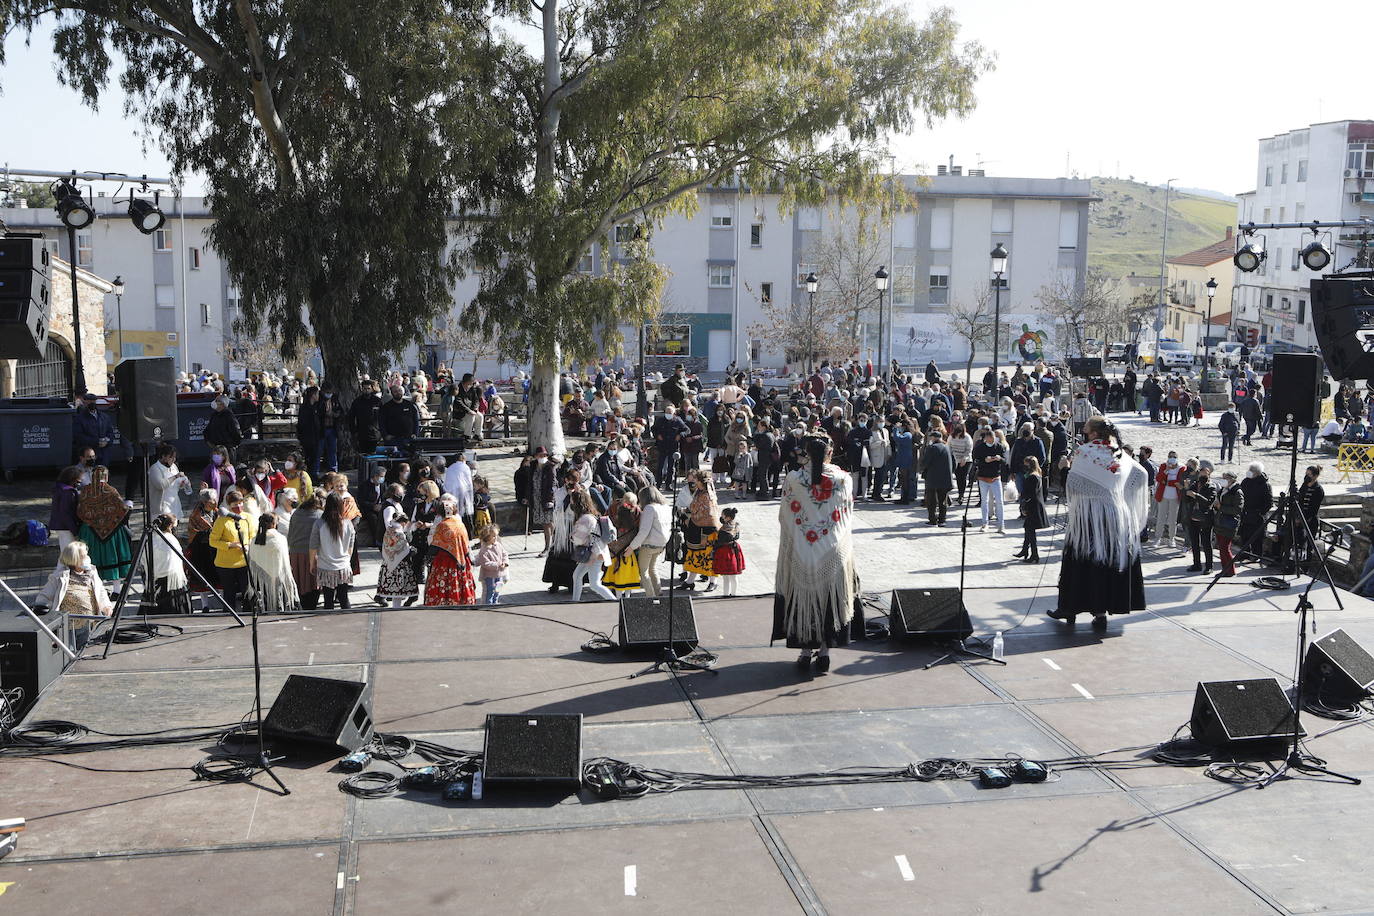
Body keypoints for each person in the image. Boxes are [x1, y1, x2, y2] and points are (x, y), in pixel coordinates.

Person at [1048, 417, 1150, 627]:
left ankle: (1069, 608)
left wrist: (1065, 468)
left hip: (1089, 517)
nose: (1084, 437)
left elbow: (1074, 484)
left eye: (1085, 433)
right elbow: (1141, 473)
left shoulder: (1086, 452)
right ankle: (1100, 612)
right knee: (1104, 564)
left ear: (1094, 434)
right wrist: (1120, 493)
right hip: (1115, 517)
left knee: (1078, 560)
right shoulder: (1119, 453)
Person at [773, 436, 861, 673]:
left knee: (803, 601)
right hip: (832, 547)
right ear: (830, 451)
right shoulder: (843, 479)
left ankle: (804, 652)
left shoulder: (793, 478)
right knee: (829, 602)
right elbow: (847, 512)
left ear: (807, 453)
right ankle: (824, 653)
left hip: (802, 546)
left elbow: (785, 513)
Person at [76, 466, 133, 582]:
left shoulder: (86, 491)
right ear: (106, 476)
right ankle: (116, 590)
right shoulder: (111, 490)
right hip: (112, 531)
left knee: (93, 559)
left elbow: (80, 511)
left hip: (90, 530)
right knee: (114, 558)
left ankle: (97, 586)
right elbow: (122, 508)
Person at [33, 540, 114, 618]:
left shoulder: (92, 572)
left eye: (87, 555)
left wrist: (107, 607)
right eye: (83, 556)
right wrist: (41, 609)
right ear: (74, 559)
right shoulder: (60, 577)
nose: (87, 558)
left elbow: (101, 591)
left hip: (92, 624)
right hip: (69, 627)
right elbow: (44, 596)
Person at [209, 490, 259, 611]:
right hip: (226, 564)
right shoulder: (222, 520)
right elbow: (213, 541)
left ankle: (249, 614)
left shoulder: (248, 518)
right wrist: (231, 545)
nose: (239, 507)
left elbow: (253, 535)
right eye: (235, 504)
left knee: (247, 591)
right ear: (229, 505)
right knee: (229, 592)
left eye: (240, 503)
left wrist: (247, 545)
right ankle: (229, 615)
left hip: (244, 561)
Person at [308, 491, 354, 609]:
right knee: (344, 598)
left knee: (328, 601)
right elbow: (350, 547)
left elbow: (313, 546)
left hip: (325, 566)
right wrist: (347, 560)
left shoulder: (319, 524)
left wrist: (312, 563)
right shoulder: (348, 524)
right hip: (343, 566)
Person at [426, 496, 476, 606]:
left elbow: (435, 545)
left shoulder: (442, 525)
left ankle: (443, 601)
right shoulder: (460, 524)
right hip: (460, 560)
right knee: (458, 582)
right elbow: (466, 545)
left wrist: (428, 558)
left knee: (443, 584)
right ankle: (459, 601)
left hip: (443, 561)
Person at [247, 513, 300, 612]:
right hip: (280, 578)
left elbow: (252, 561)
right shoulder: (280, 539)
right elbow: (285, 561)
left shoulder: (254, 540)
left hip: (261, 582)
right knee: (281, 604)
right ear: (273, 524)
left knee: (264, 602)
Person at [569, 489, 614, 601]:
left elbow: (578, 539)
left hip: (594, 554)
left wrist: (571, 536)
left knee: (595, 584)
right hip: (597, 551)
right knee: (577, 575)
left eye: (571, 501)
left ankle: (616, 602)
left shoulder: (585, 519)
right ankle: (575, 601)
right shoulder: (592, 515)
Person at [628, 484, 671, 596]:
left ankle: (650, 596)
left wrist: (632, 547)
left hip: (649, 545)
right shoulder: (666, 507)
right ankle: (658, 592)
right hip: (661, 544)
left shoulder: (649, 508)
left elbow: (644, 531)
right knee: (653, 568)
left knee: (643, 571)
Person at [681, 468, 720, 592]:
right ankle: (690, 581)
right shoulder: (699, 492)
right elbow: (693, 506)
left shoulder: (708, 495)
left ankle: (713, 582)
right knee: (695, 554)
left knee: (708, 556)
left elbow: (708, 513)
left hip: (708, 531)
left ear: (701, 481)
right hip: (696, 528)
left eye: (696, 479)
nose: (694, 481)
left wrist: (692, 513)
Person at [288, 490, 325, 610]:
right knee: (312, 583)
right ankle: (311, 606)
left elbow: (290, 533)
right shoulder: (320, 515)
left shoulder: (296, 513)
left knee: (298, 580)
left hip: (295, 552)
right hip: (312, 553)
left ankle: (301, 604)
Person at [600, 491, 642, 594]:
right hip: (613, 544)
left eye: (631, 506)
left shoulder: (637, 511)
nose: (629, 507)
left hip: (628, 546)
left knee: (626, 571)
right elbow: (606, 521)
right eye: (627, 504)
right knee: (611, 570)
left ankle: (625, 593)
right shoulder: (614, 507)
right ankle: (612, 593)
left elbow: (638, 527)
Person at [376, 512, 419, 607]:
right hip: (401, 566)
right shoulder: (400, 533)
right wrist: (411, 550)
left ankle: (393, 605)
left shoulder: (388, 530)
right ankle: (396, 608)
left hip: (387, 564)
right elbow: (404, 549)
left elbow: (388, 547)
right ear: (403, 522)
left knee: (393, 590)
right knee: (399, 590)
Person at [1183, 464, 1218, 573]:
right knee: (1194, 542)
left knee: (1206, 543)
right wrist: (1186, 489)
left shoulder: (1211, 487)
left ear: (1209, 475)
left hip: (1205, 519)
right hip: (1193, 517)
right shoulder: (1195, 484)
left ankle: (1209, 566)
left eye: (1205, 474)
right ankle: (1196, 564)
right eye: (1201, 474)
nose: (1202, 476)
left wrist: (1195, 495)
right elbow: (1186, 500)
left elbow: (1208, 502)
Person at [1237, 462, 1273, 564]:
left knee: (1257, 537)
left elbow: (1268, 502)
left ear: (1256, 473)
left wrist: (1260, 512)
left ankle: (1257, 555)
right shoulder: (1246, 481)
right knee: (1244, 535)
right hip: (1246, 513)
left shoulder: (1265, 485)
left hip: (1257, 515)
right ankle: (1245, 553)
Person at [972, 428, 1006, 534]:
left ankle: (1001, 525)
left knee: (999, 501)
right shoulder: (980, 447)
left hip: (996, 477)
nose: (991, 441)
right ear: (986, 438)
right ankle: (984, 523)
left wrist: (999, 458)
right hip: (983, 477)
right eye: (989, 438)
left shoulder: (999, 446)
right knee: (985, 501)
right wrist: (984, 460)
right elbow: (976, 460)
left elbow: (1005, 461)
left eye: (992, 439)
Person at [1015, 456, 1049, 563]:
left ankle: (1034, 554)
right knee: (1028, 529)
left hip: (1033, 506)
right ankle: (1025, 551)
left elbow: (1031, 493)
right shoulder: (1037, 475)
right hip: (1034, 505)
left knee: (1030, 531)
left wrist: (1024, 502)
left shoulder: (1033, 477)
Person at [918, 430, 955, 527]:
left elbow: (925, 462)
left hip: (933, 478)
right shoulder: (947, 447)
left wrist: (921, 468)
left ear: (934, 438)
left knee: (932, 500)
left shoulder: (932, 448)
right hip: (946, 478)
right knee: (943, 500)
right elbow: (954, 463)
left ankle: (932, 519)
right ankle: (942, 520)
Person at [1214, 470, 1244, 578]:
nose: (1223, 480)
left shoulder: (1237, 492)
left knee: (1225, 547)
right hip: (1220, 521)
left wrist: (1220, 507)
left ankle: (1230, 570)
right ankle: (1224, 569)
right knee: (1221, 548)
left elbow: (1238, 510)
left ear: (1232, 479)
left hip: (1229, 523)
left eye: (1225, 478)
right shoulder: (1223, 489)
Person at [72, 392, 116, 465]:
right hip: (88, 455)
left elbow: (110, 432)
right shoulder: (79, 419)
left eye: (93, 402)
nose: (91, 404)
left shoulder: (104, 417)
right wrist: (97, 441)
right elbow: (78, 436)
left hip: (103, 454)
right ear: (84, 403)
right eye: (88, 402)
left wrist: (107, 441)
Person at [1153, 451, 1185, 548]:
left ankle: (1172, 538)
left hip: (1175, 497)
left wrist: (1168, 482)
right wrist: (1166, 470)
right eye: (1170, 456)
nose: (1172, 458)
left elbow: (1180, 481)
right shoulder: (1163, 466)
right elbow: (1158, 478)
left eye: (1174, 457)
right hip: (1163, 496)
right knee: (1160, 518)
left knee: (1172, 519)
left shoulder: (1181, 468)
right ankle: (1158, 538)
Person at [48, 465, 83, 551]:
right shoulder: (68, 493)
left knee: (65, 553)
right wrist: (75, 530)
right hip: (66, 527)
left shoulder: (60, 489)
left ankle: (61, 565)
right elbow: (66, 513)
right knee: (69, 554)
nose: (80, 482)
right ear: (73, 479)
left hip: (62, 526)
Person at [712, 506, 746, 597]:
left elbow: (720, 541)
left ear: (728, 517)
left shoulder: (724, 529)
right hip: (734, 551)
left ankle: (726, 595)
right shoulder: (736, 524)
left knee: (726, 576)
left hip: (725, 553)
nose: (721, 517)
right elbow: (737, 536)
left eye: (723, 516)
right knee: (733, 576)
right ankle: (734, 594)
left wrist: (713, 545)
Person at [348, 381, 383, 461]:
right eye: (364, 389)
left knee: (374, 458)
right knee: (363, 458)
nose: (366, 390)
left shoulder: (377, 401)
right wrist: (354, 431)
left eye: (368, 388)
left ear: (372, 389)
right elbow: (351, 417)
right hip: (362, 434)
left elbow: (383, 417)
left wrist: (381, 432)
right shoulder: (357, 402)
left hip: (375, 435)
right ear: (361, 389)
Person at [474, 524, 509, 605]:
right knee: (489, 591)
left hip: (499, 575)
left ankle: (495, 601)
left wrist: (505, 562)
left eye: (496, 535)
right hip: (489, 576)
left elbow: (505, 554)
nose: (496, 538)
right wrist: (498, 564)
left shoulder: (498, 545)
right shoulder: (484, 550)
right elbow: (485, 563)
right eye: (493, 536)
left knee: (497, 590)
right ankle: (487, 604)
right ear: (487, 537)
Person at [380, 383, 421, 448]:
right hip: (393, 439)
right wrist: (385, 435)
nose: (398, 393)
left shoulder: (410, 405)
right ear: (392, 393)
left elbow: (416, 420)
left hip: (409, 438)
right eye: (395, 391)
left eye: (399, 391)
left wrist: (415, 434)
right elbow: (382, 423)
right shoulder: (386, 407)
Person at [204, 395, 243, 460]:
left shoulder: (229, 416)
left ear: (222, 403)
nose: (214, 402)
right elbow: (207, 430)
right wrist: (208, 440)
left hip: (227, 450)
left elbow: (236, 431)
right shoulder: (214, 415)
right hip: (216, 449)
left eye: (217, 401)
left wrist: (233, 444)